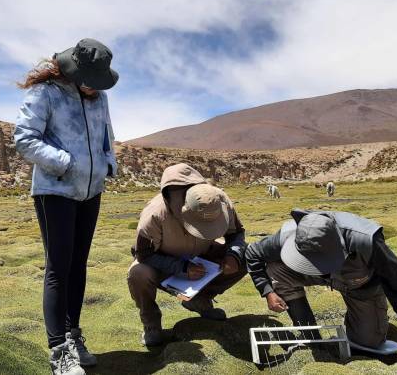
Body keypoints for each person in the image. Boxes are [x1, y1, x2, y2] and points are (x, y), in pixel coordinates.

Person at [14, 38, 118, 375]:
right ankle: (59, 350)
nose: (94, 88)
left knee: (79, 265)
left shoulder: (99, 98)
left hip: (92, 191)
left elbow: (106, 137)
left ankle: (74, 336)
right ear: (74, 72)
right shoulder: (46, 93)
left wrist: (108, 164)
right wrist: (64, 162)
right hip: (54, 191)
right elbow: (24, 139)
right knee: (58, 267)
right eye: (90, 81)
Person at [245, 209, 397, 351]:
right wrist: (267, 291)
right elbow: (252, 253)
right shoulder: (288, 235)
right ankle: (309, 333)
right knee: (275, 270)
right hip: (318, 278)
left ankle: (367, 322)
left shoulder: (365, 240)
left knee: (367, 343)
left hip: (361, 284)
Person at [128, 163, 248, 346]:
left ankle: (200, 300)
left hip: (203, 256)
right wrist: (181, 267)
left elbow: (236, 233)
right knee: (138, 273)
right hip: (164, 264)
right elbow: (144, 254)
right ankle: (151, 326)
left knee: (247, 256)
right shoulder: (154, 215)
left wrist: (233, 255)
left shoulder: (217, 201)